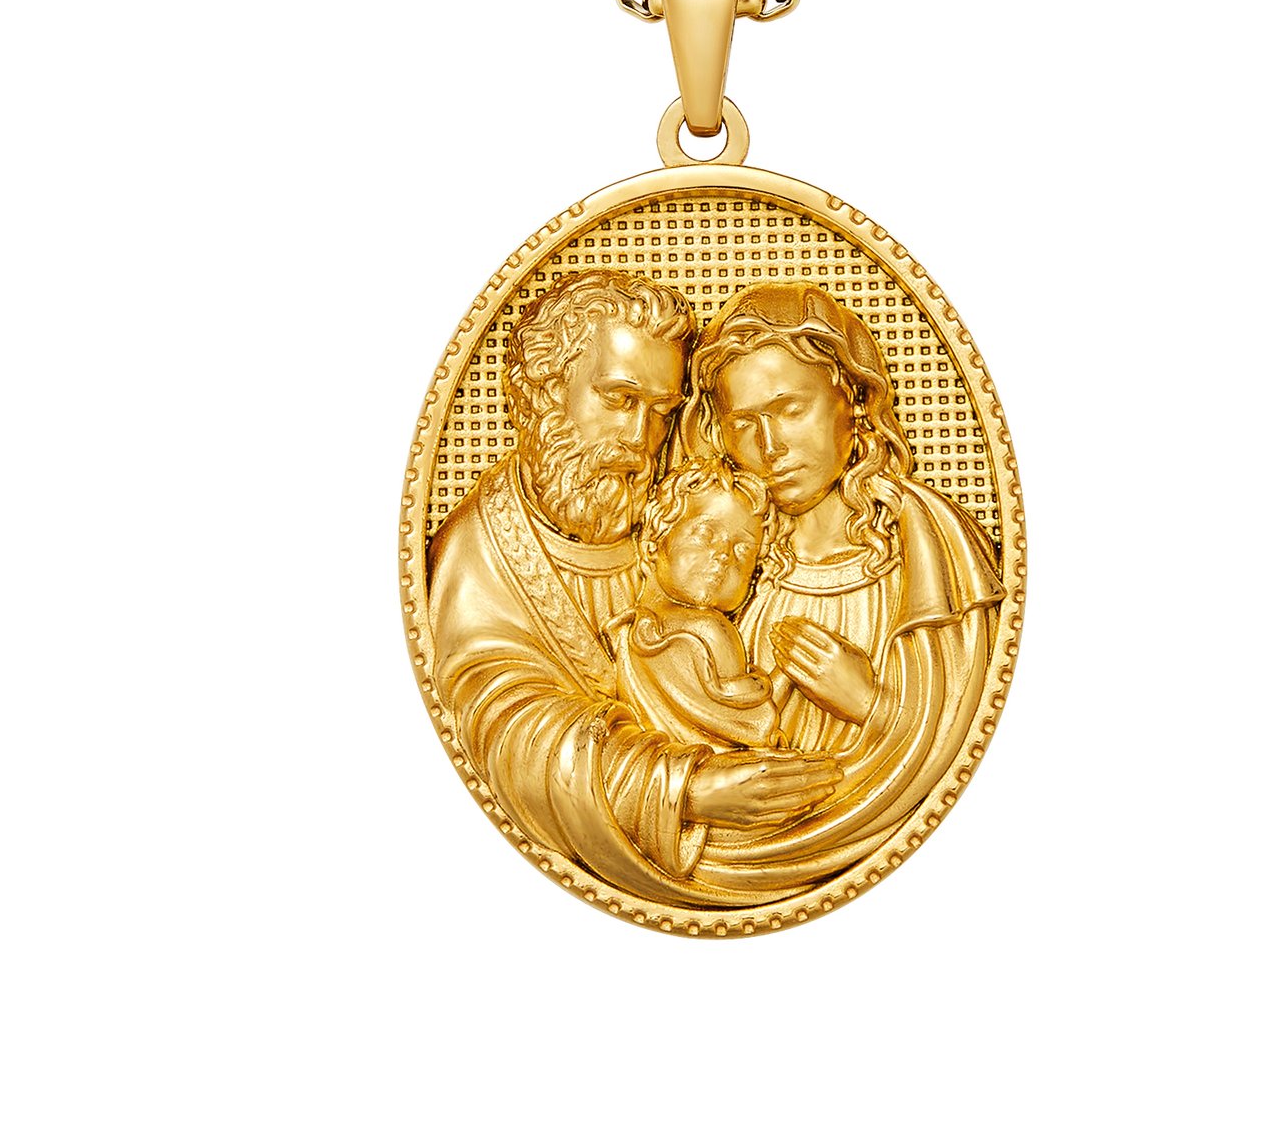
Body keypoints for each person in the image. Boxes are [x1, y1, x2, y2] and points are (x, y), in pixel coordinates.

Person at [423, 269, 837, 904]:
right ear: (545, 390)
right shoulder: (481, 552)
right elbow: (507, 733)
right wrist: (687, 789)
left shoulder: (683, 509)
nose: (642, 438)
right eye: (620, 399)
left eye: (661, 411)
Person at [676, 281, 1005, 896]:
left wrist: (869, 704)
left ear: (851, 399)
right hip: (730, 847)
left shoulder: (930, 546)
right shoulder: (727, 556)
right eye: (744, 423)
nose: (770, 448)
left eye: (789, 410)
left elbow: (967, 729)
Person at [609, 458, 782, 752]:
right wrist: (788, 673)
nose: (724, 554)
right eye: (706, 534)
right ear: (652, 542)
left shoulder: (627, 630)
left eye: (743, 549)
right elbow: (754, 729)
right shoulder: (710, 630)